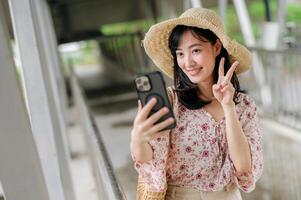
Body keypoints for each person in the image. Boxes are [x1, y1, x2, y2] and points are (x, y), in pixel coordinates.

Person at [130, 8, 263, 200]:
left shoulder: (243, 105)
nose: (188, 62)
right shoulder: (172, 102)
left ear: (216, 47)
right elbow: (150, 161)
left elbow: (244, 169)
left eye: (196, 50)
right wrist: (138, 138)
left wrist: (228, 107)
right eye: (180, 54)